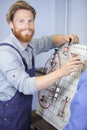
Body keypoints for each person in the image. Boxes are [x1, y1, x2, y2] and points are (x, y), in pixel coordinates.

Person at [0, 0, 83, 130]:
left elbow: (49, 41)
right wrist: (63, 71)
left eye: (30, 21)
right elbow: (25, 85)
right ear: (11, 23)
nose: (27, 26)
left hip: (23, 113)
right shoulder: (5, 53)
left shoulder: (30, 45)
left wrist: (65, 38)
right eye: (21, 21)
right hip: (9, 116)